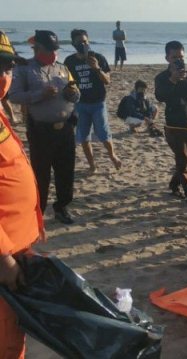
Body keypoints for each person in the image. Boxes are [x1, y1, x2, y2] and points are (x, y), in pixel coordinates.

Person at [0, 31, 46, 359]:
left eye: (6, 66)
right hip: (4, 256)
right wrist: (3, 256)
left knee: (14, 330)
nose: (3, 75)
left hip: (17, 248)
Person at [9, 30, 80, 225]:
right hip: (41, 130)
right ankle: (38, 211)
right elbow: (13, 96)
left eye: (55, 50)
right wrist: (40, 94)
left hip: (65, 128)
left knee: (66, 170)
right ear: (37, 48)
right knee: (41, 173)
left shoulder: (63, 68)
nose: (53, 54)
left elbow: (76, 93)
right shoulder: (24, 69)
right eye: (49, 50)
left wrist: (72, 94)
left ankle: (62, 206)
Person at [64, 29, 121, 174]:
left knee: (103, 133)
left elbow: (107, 80)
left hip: (98, 102)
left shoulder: (98, 58)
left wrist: (96, 68)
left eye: (85, 41)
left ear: (88, 41)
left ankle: (112, 155)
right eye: (79, 42)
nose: (83, 44)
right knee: (83, 136)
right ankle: (92, 165)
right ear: (73, 44)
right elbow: (67, 83)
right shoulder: (69, 61)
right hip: (80, 103)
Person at [154, 41, 187, 206]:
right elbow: (160, 96)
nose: (178, 60)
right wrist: (173, 80)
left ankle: (174, 184)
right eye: (174, 57)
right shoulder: (161, 77)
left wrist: (182, 78)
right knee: (182, 160)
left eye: (181, 57)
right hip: (174, 125)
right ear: (167, 58)